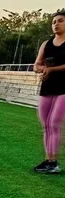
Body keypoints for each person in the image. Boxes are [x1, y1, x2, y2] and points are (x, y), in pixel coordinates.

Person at [32, 10, 65, 174]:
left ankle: (54, 162)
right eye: (54, 22)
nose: (56, 24)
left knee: (54, 123)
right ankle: (48, 160)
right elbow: (36, 65)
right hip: (47, 87)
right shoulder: (46, 44)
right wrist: (42, 68)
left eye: (60, 21)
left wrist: (52, 69)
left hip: (64, 88)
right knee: (45, 124)